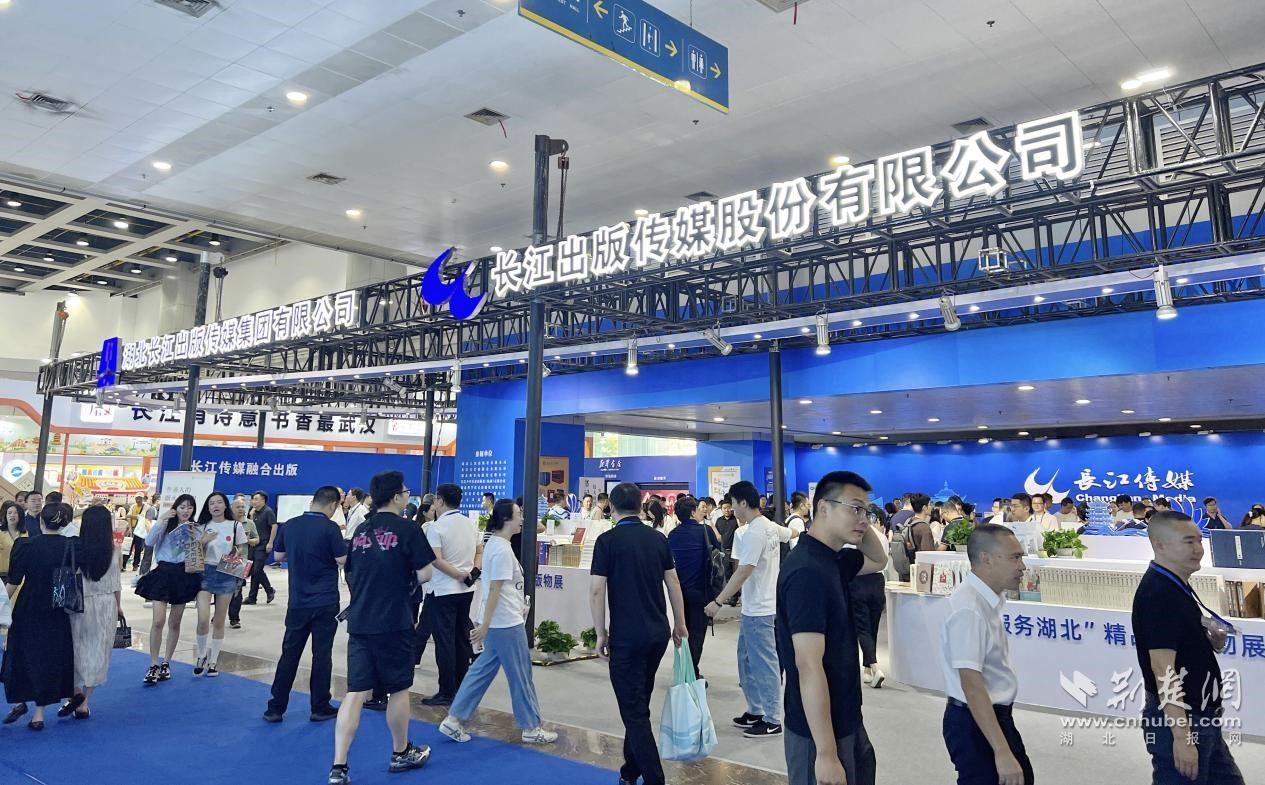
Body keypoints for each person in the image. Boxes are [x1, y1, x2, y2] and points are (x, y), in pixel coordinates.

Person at [778, 471, 888, 785]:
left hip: (846, 715)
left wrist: (859, 521)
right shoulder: (806, 571)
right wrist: (826, 754)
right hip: (818, 733)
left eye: (867, 511)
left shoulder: (834, 560)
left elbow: (878, 559)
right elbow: (808, 665)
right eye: (855, 509)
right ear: (823, 508)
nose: (864, 519)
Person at [330, 470, 435, 785]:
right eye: (405, 491)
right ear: (397, 496)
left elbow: (350, 572)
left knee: (355, 692)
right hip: (395, 622)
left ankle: (339, 767)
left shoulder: (361, 530)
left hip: (360, 621)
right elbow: (426, 573)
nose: (407, 495)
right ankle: (400, 752)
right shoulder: (408, 528)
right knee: (398, 689)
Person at [1133, 511, 1244, 784]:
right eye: (1188, 542)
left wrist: (1208, 641)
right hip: (1182, 719)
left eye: (1199, 540)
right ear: (1160, 545)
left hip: (1202, 716)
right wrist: (1182, 737)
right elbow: (1163, 668)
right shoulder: (1159, 594)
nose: (1198, 549)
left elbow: (1178, 644)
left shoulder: (1175, 586)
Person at [438, 499, 558, 745]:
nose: (522, 519)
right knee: (521, 675)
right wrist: (484, 625)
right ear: (506, 519)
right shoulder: (501, 549)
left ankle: (454, 719)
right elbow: (495, 589)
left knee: (481, 671)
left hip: (499, 621)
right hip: (506, 623)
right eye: (518, 514)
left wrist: (486, 622)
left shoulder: (495, 544)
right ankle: (531, 727)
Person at [590, 482, 687, 785]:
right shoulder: (658, 538)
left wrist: (600, 633)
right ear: (640, 506)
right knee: (638, 703)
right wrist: (680, 622)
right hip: (657, 633)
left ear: (611, 507)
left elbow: (596, 590)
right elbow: (673, 583)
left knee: (633, 711)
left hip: (626, 637)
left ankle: (655, 778)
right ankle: (630, 772)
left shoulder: (607, 541)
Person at [939, 524, 1032, 785]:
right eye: (1015, 557)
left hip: (990, 717)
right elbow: (971, 684)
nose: (1022, 566)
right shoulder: (969, 608)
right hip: (975, 720)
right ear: (986, 559)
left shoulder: (986, 601)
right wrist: (1001, 751)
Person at [705, 480, 793, 738]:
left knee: (764, 664)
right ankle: (756, 710)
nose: (732, 508)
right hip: (755, 608)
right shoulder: (769, 526)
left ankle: (772, 719)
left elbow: (743, 571)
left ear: (743, 502)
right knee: (746, 661)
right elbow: (792, 534)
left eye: (733, 503)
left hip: (761, 610)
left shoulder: (756, 532)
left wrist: (718, 601)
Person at [264, 486, 347, 723]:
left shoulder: (290, 525)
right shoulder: (330, 528)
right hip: (325, 600)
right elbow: (342, 559)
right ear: (333, 505)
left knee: (289, 654)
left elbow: (278, 557)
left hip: (298, 600)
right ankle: (319, 706)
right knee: (322, 654)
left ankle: (275, 708)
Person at [1, 503, 76, 730]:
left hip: (28, 606)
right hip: (57, 608)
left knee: (22, 654)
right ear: (63, 524)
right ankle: (39, 714)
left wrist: (1, 605)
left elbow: (14, 582)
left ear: (41, 521)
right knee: (49, 657)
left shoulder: (25, 545)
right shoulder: (70, 546)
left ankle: (21, 700)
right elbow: (71, 579)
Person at [135, 494, 203, 685]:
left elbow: (196, 554)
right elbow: (149, 542)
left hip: (183, 575)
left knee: (175, 622)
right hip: (163, 573)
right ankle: (153, 664)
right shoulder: (165, 523)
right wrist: (162, 520)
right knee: (158, 620)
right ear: (175, 508)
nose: (186, 510)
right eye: (182, 507)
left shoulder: (195, 527)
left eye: (190, 507)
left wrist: (198, 540)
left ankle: (166, 662)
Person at [61, 505, 121, 720]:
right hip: (106, 605)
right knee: (98, 653)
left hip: (78, 605)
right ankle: (84, 703)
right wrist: (119, 607)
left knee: (76, 650)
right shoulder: (114, 550)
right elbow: (116, 584)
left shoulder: (75, 548)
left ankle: (75, 692)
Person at [423, 483, 479, 707]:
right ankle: (461, 687)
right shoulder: (470, 524)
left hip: (443, 590)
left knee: (444, 641)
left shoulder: (436, 527)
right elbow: (479, 551)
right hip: (467, 589)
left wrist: (457, 575)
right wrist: (471, 573)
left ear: (440, 501)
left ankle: (447, 691)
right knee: (461, 639)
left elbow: (435, 559)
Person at [191, 491, 247, 677]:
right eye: (211, 503)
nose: (215, 506)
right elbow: (192, 553)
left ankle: (213, 660)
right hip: (204, 572)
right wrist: (203, 542)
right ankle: (201, 655)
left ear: (225, 505)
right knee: (203, 618)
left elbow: (242, 550)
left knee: (220, 619)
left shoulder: (235, 526)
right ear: (208, 507)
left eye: (219, 502)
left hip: (227, 573)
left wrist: (238, 563)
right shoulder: (202, 526)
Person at [666, 495, 720, 679]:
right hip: (700, 590)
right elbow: (717, 551)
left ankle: (684, 670)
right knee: (697, 634)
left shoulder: (672, 535)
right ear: (692, 512)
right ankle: (691, 673)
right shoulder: (705, 531)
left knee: (681, 630)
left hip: (677, 592)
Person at [851, 515, 889, 690]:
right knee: (872, 627)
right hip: (878, 582)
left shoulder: (855, 535)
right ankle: (867, 670)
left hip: (859, 581)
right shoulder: (882, 536)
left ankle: (875, 667)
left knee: (862, 627)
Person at [227, 495, 260, 630]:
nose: (241, 509)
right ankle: (219, 613)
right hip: (226, 559)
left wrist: (247, 540)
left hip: (241, 560)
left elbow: (257, 539)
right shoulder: (226, 522)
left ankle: (234, 619)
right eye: (238, 507)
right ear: (231, 508)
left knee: (237, 590)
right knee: (222, 589)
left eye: (242, 507)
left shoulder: (250, 523)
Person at [244, 490, 278, 604]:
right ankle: (266, 591)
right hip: (252, 544)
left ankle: (254, 596)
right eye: (253, 499)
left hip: (263, 544)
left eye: (256, 499)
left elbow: (274, 526)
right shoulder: (252, 511)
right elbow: (250, 527)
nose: (253, 501)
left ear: (263, 500)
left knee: (257, 569)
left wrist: (270, 542)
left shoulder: (268, 511)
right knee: (254, 570)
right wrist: (251, 515)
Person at [906, 493, 945, 560]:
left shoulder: (909, 522)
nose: (931, 507)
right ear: (924, 508)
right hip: (923, 564)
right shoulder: (924, 528)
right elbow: (929, 555)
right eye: (929, 504)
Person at [0, 500, 25, 581]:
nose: (12, 515)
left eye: (15, 513)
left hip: (20, 574)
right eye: (9, 513)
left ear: (20, 515)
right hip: (2, 574)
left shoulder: (26, 534)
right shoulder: (1, 533)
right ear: (5, 516)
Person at [137, 493, 159, 575]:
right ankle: (143, 575)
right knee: (147, 558)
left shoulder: (156, 510)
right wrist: (152, 535)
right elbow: (147, 522)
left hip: (152, 537)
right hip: (151, 538)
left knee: (149, 558)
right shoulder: (152, 510)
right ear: (157, 500)